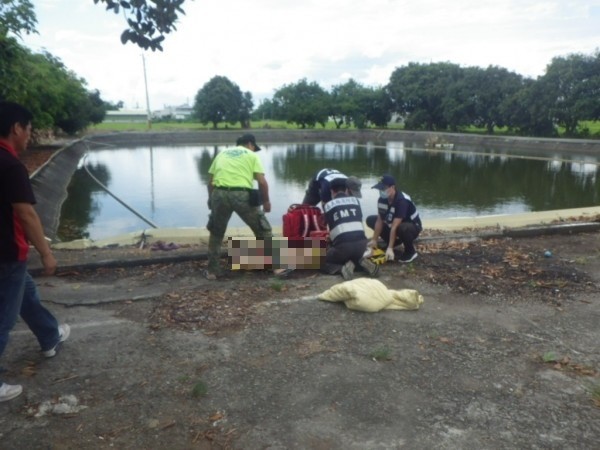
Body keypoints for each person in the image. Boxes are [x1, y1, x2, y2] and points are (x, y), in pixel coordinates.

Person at [0, 101, 70, 403]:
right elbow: (26, 214)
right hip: (6, 252)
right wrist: (46, 253)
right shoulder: (10, 165)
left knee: (25, 293)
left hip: (228, 196)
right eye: (28, 129)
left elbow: (213, 184)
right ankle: (231, 265)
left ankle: (49, 336)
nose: (30, 135)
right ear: (16, 128)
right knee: (5, 315)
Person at [206, 134, 289, 278]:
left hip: (219, 194)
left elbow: (210, 182)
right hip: (241, 195)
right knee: (263, 230)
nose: (254, 150)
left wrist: (211, 201)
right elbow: (262, 182)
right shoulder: (251, 155)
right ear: (250, 144)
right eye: (253, 147)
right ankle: (278, 268)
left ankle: (213, 271)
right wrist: (266, 202)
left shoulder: (222, 154)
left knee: (216, 233)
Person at [322, 178, 379, 280]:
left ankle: (341, 269)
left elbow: (330, 230)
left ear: (332, 191)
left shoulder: (328, 205)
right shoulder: (356, 201)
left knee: (319, 259)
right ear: (346, 190)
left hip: (343, 248)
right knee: (352, 254)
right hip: (363, 246)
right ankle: (360, 264)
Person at [366, 174, 422, 263]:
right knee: (371, 219)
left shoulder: (402, 201)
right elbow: (379, 221)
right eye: (380, 189)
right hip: (394, 226)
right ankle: (393, 242)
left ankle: (410, 252)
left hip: (411, 227)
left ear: (392, 187)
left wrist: (390, 248)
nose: (381, 191)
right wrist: (374, 239)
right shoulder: (382, 200)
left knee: (402, 228)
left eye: (383, 188)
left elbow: (395, 226)